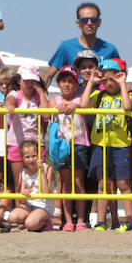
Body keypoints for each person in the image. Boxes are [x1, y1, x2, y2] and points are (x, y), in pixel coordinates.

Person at [80, 59, 132, 231]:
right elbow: (82, 105)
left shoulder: (129, 94)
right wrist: (91, 82)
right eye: (105, 80)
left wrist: (122, 84)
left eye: (113, 79)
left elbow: (127, 107)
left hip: (120, 144)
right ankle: (101, 221)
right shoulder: (98, 95)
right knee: (103, 184)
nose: (109, 83)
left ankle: (130, 221)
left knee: (123, 184)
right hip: (101, 144)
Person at [49, 65, 88, 231]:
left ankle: (80, 219)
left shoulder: (80, 99)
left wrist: (76, 107)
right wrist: (54, 109)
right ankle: (67, 220)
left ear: (76, 84)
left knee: (78, 182)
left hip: (78, 144)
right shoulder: (54, 100)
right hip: (61, 145)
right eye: (63, 81)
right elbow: (47, 113)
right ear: (58, 84)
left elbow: (86, 104)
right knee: (64, 183)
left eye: (70, 81)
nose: (67, 84)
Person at [43, 3, 119, 87]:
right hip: (76, 98)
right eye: (84, 20)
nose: (89, 23)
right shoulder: (66, 47)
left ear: (99, 22)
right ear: (78, 23)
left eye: (93, 19)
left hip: (101, 98)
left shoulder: (110, 49)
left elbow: (119, 78)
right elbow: (48, 77)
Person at [5, 66, 47, 188]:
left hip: (36, 144)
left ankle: (38, 205)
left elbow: (46, 115)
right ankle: (20, 206)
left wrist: (40, 92)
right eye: (26, 80)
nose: (30, 84)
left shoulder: (39, 97)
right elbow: (9, 100)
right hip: (16, 143)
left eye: (33, 80)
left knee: (38, 182)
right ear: (19, 80)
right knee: (19, 182)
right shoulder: (15, 94)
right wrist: (10, 105)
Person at [8, 140, 54, 231]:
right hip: (28, 205)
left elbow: (46, 192)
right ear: (22, 158)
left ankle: (45, 222)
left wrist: (41, 171)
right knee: (12, 217)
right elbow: (21, 201)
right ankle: (30, 220)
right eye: (27, 157)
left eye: (34, 156)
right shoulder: (23, 172)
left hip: (43, 206)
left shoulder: (47, 168)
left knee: (31, 223)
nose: (31, 160)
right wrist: (23, 194)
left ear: (39, 155)